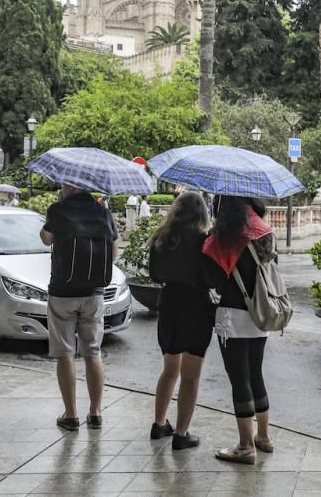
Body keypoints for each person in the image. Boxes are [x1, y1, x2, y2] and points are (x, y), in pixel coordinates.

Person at [202, 195, 275, 465]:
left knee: (239, 379)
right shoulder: (264, 231)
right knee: (256, 373)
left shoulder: (224, 235)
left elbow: (212, 278)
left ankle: (245, 445)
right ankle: (263, 437)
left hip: (232, 315)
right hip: (259, 312)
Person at [39, 184, 118, 431]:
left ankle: (71, 414)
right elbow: (113, 254)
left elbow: (45, 239)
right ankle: (95, 412)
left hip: (63, 290)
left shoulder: (58, 210)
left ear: (69, 187)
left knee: (65, 353)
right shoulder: (103, 212)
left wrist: (57, 208)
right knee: (92, 352)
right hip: (94, 291)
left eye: (63, 184)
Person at [148, 192, 213, 451]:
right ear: (202, 214)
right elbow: (211, 278)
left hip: (170, 304)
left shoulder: (162, 238)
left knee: (170, 368)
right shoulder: (204, 241)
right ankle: (181, 434)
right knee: (190, 375)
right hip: (196, 306)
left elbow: (154, 274)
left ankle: (159, 423)